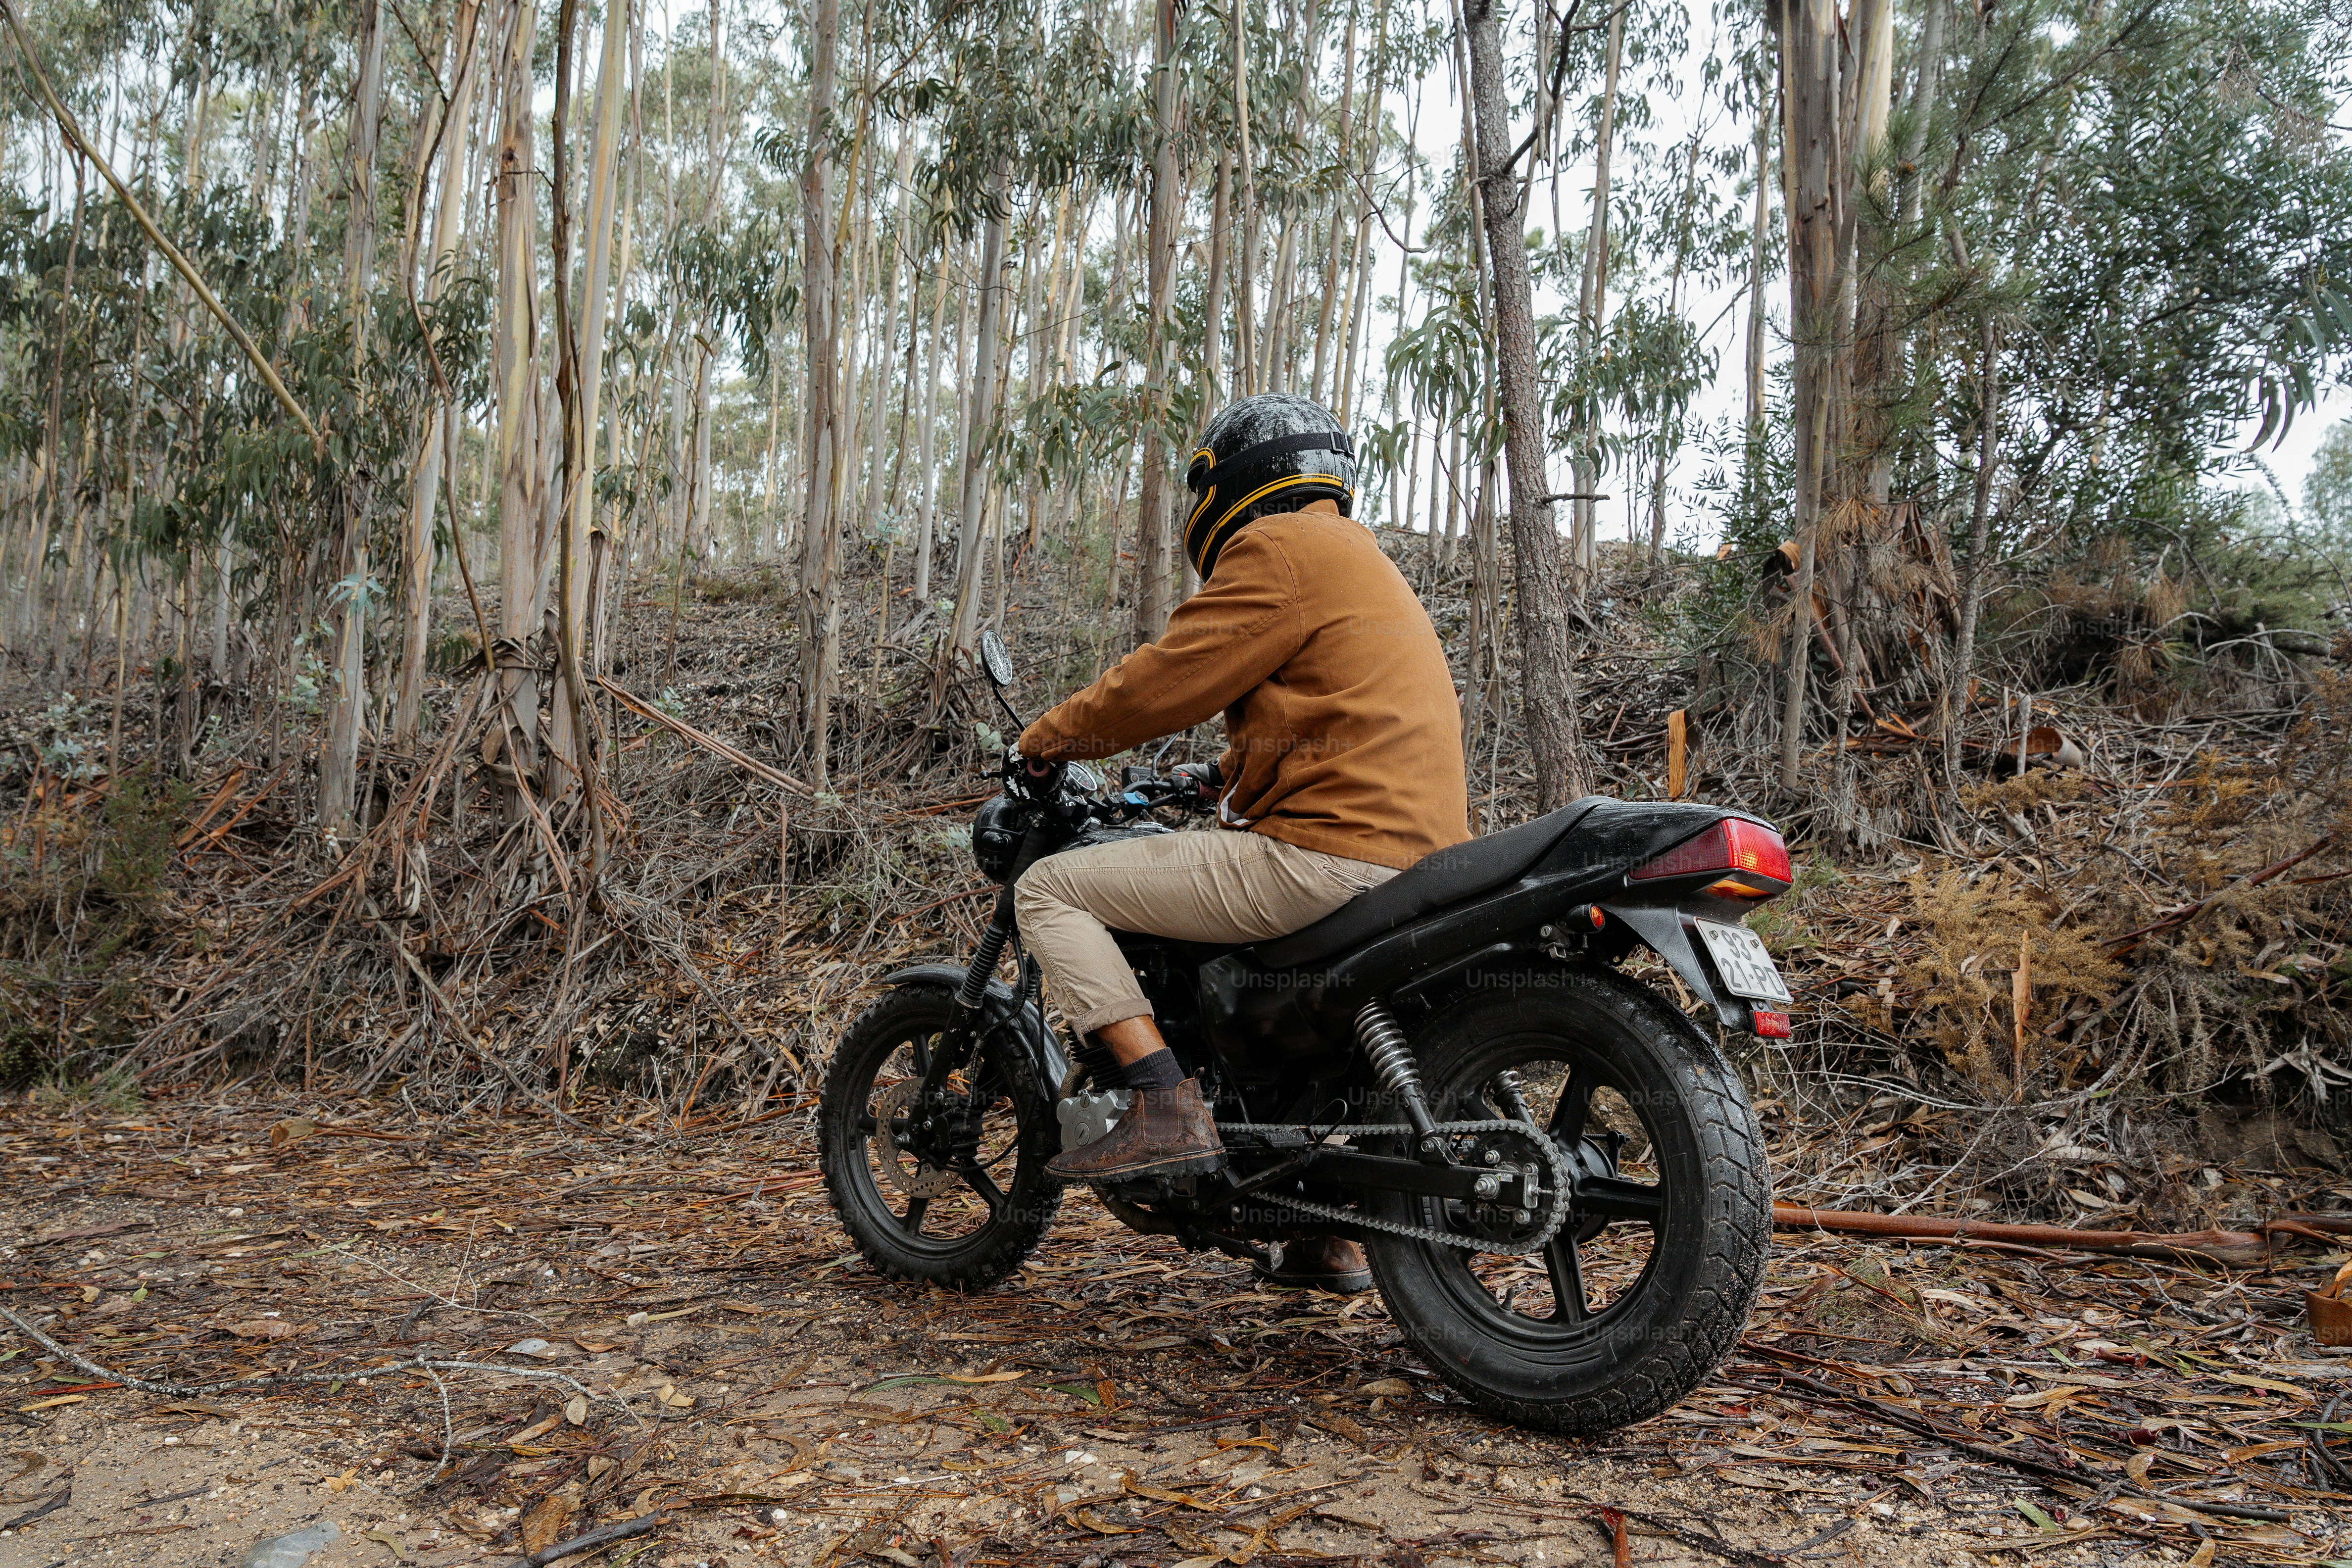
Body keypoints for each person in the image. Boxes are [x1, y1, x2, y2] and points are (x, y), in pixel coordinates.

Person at [1010, 392, 1470, 1293]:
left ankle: (1162, 1103)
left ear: (1236, 482)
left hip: (1327, 853)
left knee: (1053, 891)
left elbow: (1164, 682)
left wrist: (1046, 740)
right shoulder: (1360, 559)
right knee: (1297, 1029)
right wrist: (1224, 775)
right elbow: (1338, 711)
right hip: (1419, 861)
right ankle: (1325, 1232)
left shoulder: (1280, 547)